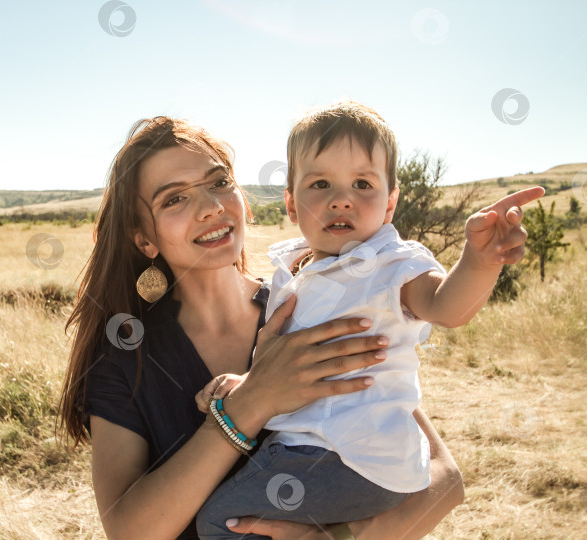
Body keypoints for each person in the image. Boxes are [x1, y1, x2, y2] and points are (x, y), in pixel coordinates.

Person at [57, 115, 467, 540]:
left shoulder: (313, 301)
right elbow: (129, 533)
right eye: (174, 199)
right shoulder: (125, 358)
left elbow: (444, 477)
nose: (212, 207)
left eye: (219, 183)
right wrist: (251, 403)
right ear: (145, 240)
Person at [194, 101, 543, 538]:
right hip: (318, 452)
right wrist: (244, 382)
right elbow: (291, 359)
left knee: (219, 522)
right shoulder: (294, 268)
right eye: (320, 184)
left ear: (391, 202)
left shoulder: (389, 263)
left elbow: (445, 305)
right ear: (291, 204)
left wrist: (480, 262)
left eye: (363, 183)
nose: (341, 199)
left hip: (351, 456)